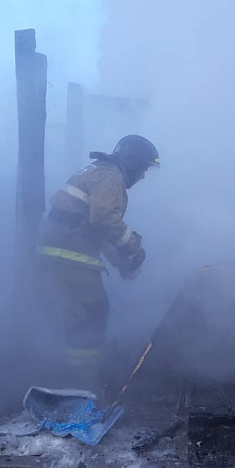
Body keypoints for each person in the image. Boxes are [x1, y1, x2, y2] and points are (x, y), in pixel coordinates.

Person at [37, 135, 158, 395]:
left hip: (62, 256)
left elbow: (89, 226)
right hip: (70, 260)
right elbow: (104, 218)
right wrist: (132, 248)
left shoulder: (98, 172)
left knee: (80, 320)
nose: (144, 175)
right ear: (133, 163)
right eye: (144, 168)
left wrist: (119, 261)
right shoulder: (110, 178)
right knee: (89, 321)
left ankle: (79, 383)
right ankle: (84, 389)